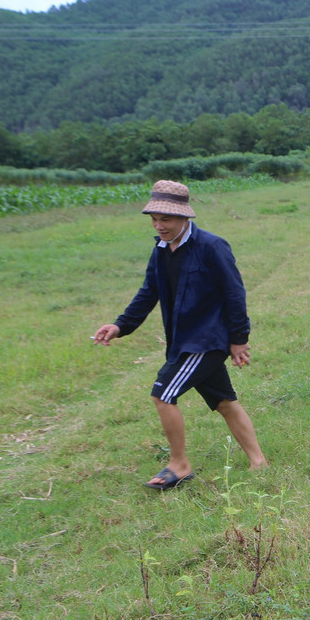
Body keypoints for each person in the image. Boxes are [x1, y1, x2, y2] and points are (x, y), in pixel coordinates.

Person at [92, 180, 267, 489]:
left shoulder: (212, 247)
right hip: (183, 340)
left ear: (185, 217)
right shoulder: (161, 250)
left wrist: (239, 338)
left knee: (163, 394)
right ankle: (259, 461)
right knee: (224, 402)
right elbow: (148, 294)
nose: (159, 226)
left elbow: (234, 294)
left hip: (206, 340)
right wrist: (120, 326)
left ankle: (179, 464)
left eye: (166, 219)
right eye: (155, 220)